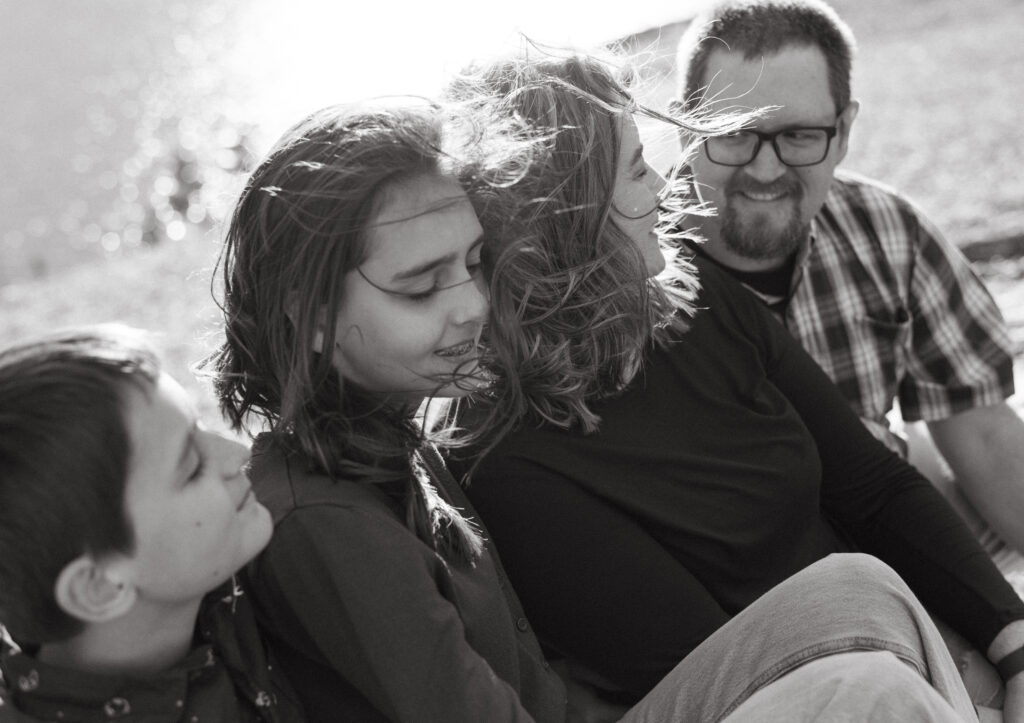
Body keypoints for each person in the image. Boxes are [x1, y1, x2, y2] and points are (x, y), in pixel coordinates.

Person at [208, 98, 979, 723]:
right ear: (305, 314)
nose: (473, 304)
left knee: (857, 587)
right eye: (420, 286)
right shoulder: (326, 520)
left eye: (475, 264)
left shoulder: (396, 443)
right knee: (866, 692)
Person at [448, 50, 1024, 718]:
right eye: (636, 167)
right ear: (566, 215)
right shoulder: (505, 462)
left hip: (912, 643)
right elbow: (721, 658)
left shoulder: (694, 298)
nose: (663, 184)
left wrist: (1011, 643)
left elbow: (872, 483)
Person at [669, 0, 1024, 577]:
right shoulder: (627, 281)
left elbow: (982, 432)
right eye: (733, 134)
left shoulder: (888, 230)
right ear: (684, 123)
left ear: (845, 131)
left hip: (891, 524)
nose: (764, 170)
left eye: (800, 136)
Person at [0, 325, 304, 722]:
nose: (239, 452)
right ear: (101, 585)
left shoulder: (211, 582)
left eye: (201, 429)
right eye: (193, 468)